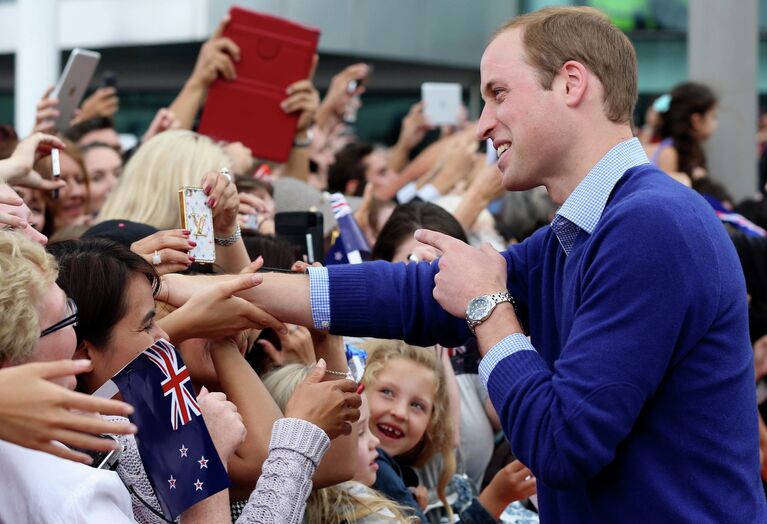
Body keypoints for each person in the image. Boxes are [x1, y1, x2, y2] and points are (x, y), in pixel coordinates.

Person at [230, 6, 765, 522]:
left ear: (571, 83)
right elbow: (417, 294)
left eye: (498, 94)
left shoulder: (650, 223)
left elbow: (562, 444)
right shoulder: (596, 224)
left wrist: (489, 307)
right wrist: (229, 292)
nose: (484, 124)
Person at [645, 82, 718, 183]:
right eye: (713, 116)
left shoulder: (688, 151)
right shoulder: (669, 153)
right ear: (696, 121)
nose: (716, 123)